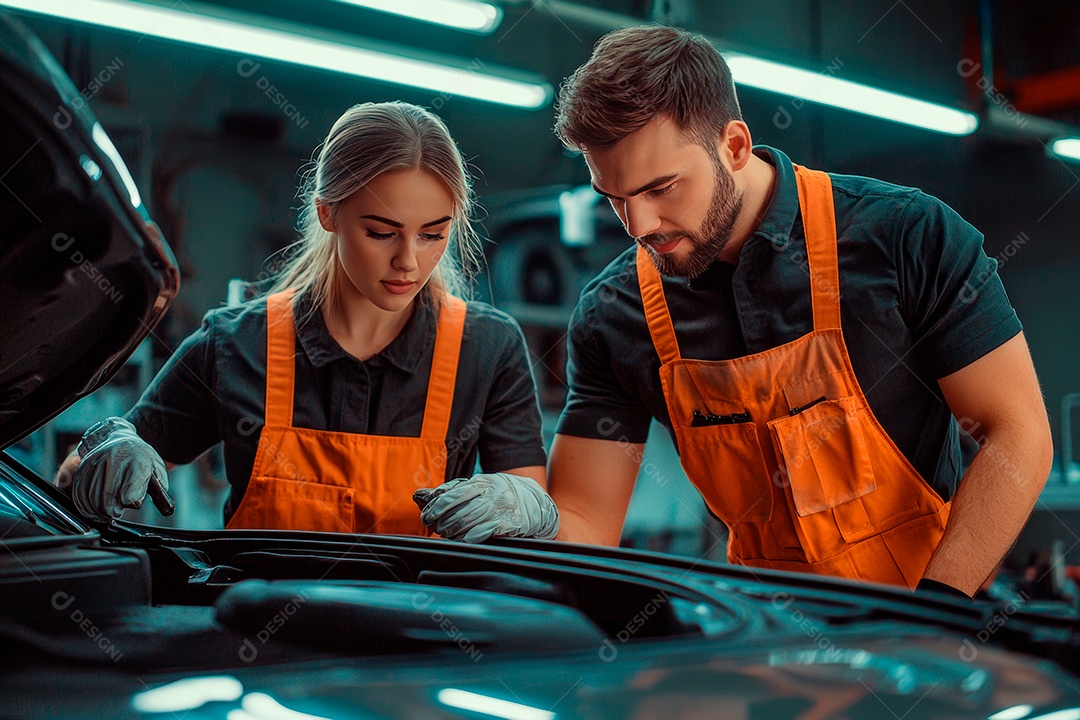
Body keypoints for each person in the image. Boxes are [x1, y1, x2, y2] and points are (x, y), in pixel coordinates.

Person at [547, 26, 1052, 596]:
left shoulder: (907, 236)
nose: (639, 227)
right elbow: (586, 524)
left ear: (734, 145)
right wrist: (531, 518)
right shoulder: (615, 315)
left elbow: (1018, 435)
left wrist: (936, 611)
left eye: (661, 188)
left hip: (931, 623)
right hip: (768, 643)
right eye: (615, 198)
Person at [59, 101, 558, 542]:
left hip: (422, 639)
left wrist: (528, 506)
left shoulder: (487, 349)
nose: (408, 260)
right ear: (328, 214)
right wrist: (109, 451)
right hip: (256, 635)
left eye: (432, 234)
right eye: (382, 232)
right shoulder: (236, 344)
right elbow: (73, 481)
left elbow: (533, 512)